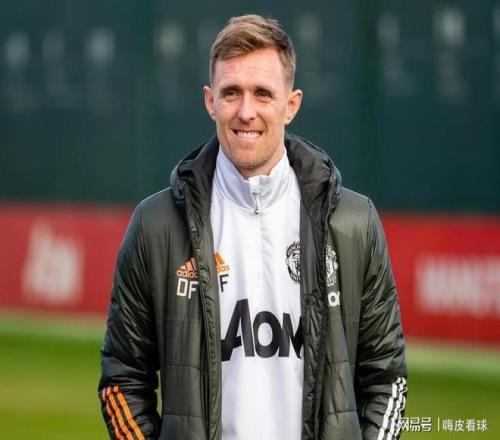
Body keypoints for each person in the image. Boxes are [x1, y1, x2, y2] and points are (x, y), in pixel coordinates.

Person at [98, 14, 407, 440]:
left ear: (291, 104)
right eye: (231, 93)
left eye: (263, 93)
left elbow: (387, 378)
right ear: (210, 101)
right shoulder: (156, 225)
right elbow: (121, 379)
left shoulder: (354, 223)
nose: (246, 112)